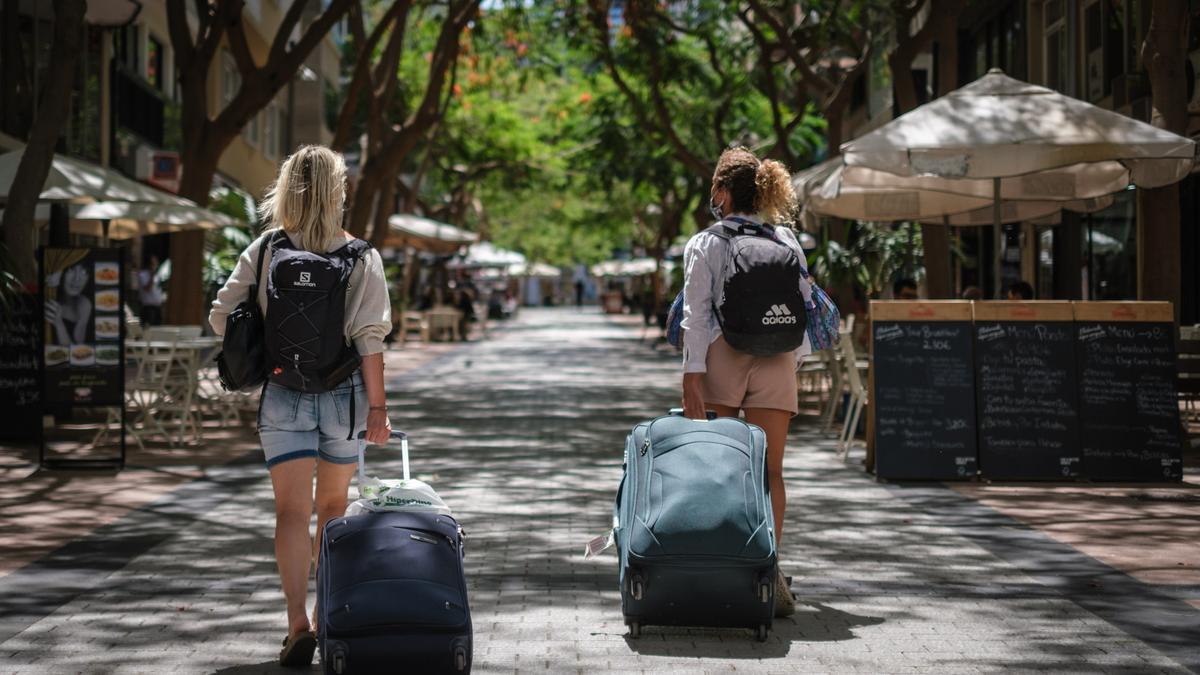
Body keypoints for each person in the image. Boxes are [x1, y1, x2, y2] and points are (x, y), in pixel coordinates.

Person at [208, 146, 391, 667]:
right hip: (343, 398)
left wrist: (265, 345)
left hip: (283, 395)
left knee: (290, 512)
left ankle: (296, 622)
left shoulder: (266, 249)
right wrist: (378, 409)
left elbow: (222, 315)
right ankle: (331, 612)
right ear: (337, 190)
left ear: (286, 187)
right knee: (333, 509)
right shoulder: (361, 256)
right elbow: (369, 338)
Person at [680, 146, 810, 618]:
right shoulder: (788, 242)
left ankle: (723, 571)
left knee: (722, 472)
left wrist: (692, 372)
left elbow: (695, 314)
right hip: (776, 359)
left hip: (722, 358)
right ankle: (768, 572)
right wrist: (786, 364)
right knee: (770, 471)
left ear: (721, 192)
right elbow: (805, 307)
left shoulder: (707, 242)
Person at [46, 263, 92, 345]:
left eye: (84, 271)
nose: (77, 278)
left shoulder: (84, 304)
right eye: (70, 269)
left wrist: (59, 323)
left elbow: (77, 350)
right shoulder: (48, 293)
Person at [138, 255, 164, 326]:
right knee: (149, 329)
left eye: (156, 264)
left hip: (157, 306)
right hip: (148, 308)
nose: (155, 266)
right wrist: (151, 276)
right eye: (153, 264)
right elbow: (147, 289)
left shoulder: (157, 276)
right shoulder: (142, 275)